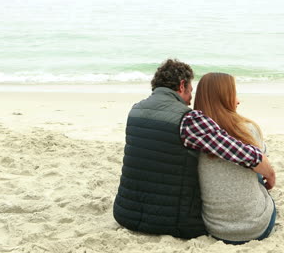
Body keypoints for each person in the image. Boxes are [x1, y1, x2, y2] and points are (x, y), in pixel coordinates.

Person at [112, 59, 275, 239]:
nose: (191, 99)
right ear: (182, 85)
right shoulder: (188, 119)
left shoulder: (135, 111)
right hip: (170, 222)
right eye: (191, 90)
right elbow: (244, 155)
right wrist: (270, 174)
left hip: (125, 213)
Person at [194, 72, 276, 244]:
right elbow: (264, 163)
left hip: (216, 229)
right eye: (234, 94)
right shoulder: (247, 129)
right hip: (257, 227)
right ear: (224, 97)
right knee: (258, 170)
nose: (238, 101)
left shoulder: (195, 137)